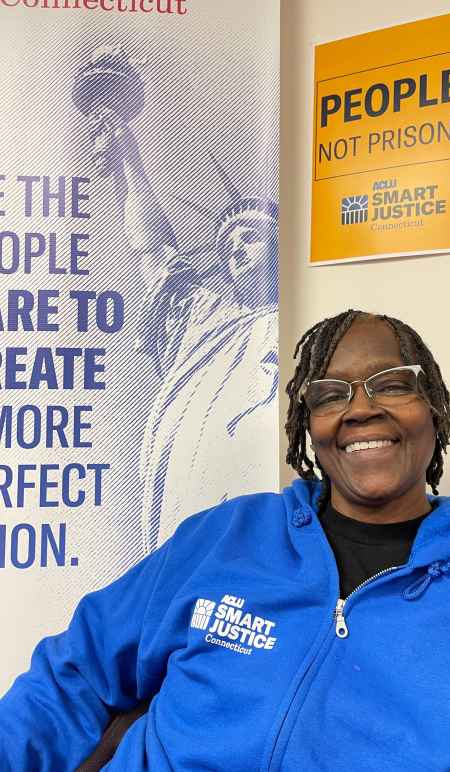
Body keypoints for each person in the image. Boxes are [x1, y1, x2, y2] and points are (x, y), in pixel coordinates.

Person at [0, 309, 450, 771]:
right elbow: (72, 675)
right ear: (309, 427)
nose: (360, 409)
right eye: (330, 394)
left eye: (391, 385)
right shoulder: (225, 538)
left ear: (436, 410)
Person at [87, 83, 279, 553]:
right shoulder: (206, 319)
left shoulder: (306, 329)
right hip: (189, 498)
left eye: (251, 235)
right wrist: (127, 155)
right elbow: (155, 251)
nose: (235, 247)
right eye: (228, 240)